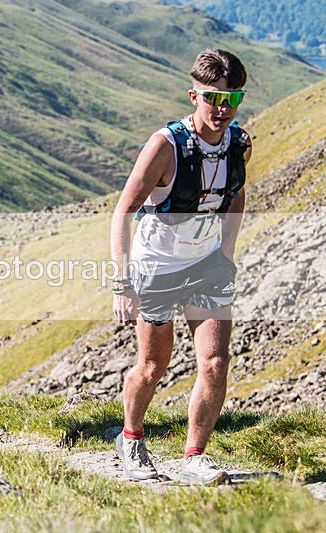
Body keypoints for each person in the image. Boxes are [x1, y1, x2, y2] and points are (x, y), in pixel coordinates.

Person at [110, 49, 252, 484]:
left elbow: (235, 197)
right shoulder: (165, 145)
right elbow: (123, 211)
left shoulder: (240, 144)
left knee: (214, 363)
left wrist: (226, 256)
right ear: (195, 96)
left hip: (207, 264)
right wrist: (122, 281)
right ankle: (131, 438)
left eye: (232, 98)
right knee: (153, 367)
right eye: (213, 98)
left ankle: (194, 456)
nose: (222, 109)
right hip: (158, 267)